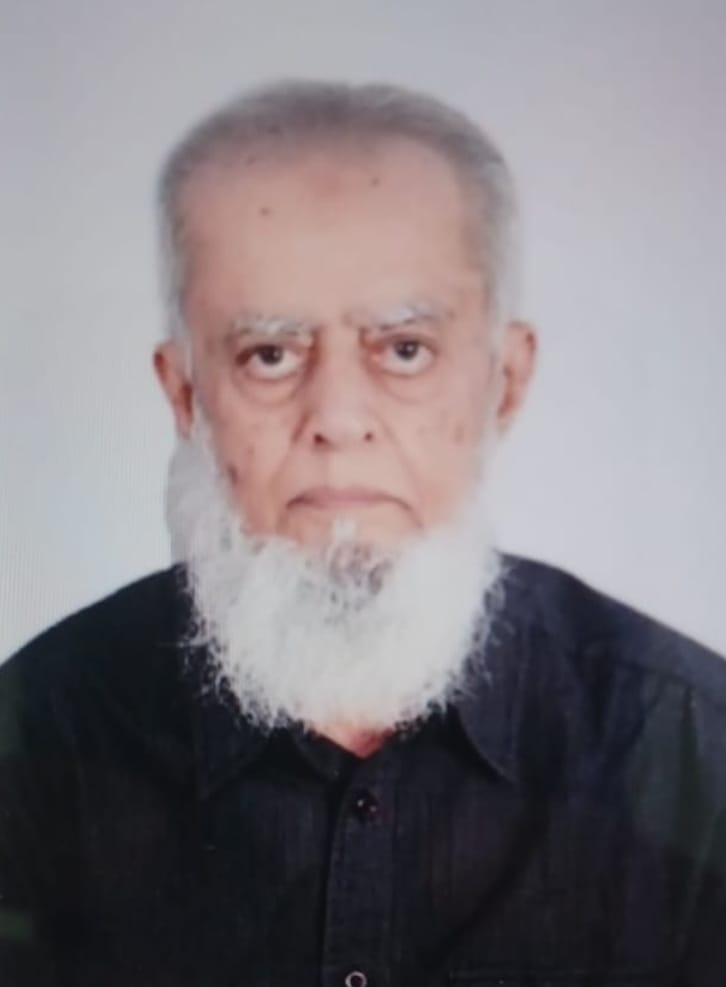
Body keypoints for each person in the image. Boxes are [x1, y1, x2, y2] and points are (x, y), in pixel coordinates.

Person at [1, 79, 725, 987]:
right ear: (186, 394)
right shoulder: (32, 749)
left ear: (503, 382)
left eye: (404, 349)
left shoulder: (694, 754)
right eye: (270, 354)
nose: (338, 418)